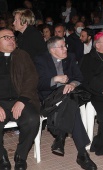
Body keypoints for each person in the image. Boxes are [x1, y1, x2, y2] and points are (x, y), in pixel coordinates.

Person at [34, 36, 97, 170]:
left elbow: (80, 77)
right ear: (52, 50)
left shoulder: (70, 57)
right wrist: (55, 79)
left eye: (65, 46)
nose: (65, 49)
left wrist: (72, 84)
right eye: (62, 46)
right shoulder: (40, 59)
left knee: (69, 99)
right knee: (72, 108)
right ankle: (82, 153)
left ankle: (60, 136)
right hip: (51, 96)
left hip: (71, 93)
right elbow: (38, 84)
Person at [0, 28, 40, 170]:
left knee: (33, 119)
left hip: (21, 99)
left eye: (12, 37)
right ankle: (2, 156)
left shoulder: (22, 55)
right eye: (6, 37)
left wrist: (22, 100)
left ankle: (20, 156)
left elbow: (32, 78)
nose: (11, 40)